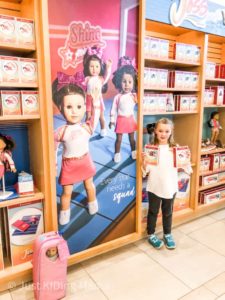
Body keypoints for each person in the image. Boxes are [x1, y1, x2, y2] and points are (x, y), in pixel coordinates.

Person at [52, 71, 98, 226]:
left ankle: (92, 203)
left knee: (89, 186)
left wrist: (95, 101)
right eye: (69, 107)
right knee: (66, 192)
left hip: (85, 160)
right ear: (60, 107)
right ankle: (64, 212)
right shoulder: (61, 132)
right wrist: (54, 165)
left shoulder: (86, 128)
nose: (75, 111)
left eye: (79, 106)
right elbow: (53, 149)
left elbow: (95, 118)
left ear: (84, 107)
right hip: (69, 165)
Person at [142, 118, 192, 250]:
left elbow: (186, 166)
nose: (163, 134)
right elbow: (145, 170)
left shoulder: (175, 148)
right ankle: (151, 233)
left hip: (170, 186)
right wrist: (144, 161)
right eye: (160, 131)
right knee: (153, 211)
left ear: (171, 132)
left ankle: (167, 234)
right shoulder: (151, 149)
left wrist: (186, 158)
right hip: (154, 186)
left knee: (168, 212)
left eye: (166, 131)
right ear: (155, 132)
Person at [109, 56, 137, 163]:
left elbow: (139, 103)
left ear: (134, 83)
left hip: (130, 119)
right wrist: (112, 121)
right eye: (124, 81)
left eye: (130, 82)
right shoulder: (118, 97)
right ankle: (117, 153)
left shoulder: (133, 96)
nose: (127, 85)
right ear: (119, 82)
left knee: (132, 139)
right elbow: (113, 110)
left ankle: (133, 151)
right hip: (120, 120)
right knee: (119, 139)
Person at [83, 46, 112, 136]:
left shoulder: (100, 79)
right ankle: (86, 129)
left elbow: (107, 77)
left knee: (101, 116)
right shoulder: (87, 78)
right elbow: (82, 88)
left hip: (98, 100)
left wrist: (108, 68)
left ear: (100, 67)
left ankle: (103, 129)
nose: (94, 69)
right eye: (91, 66)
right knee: (88, 115)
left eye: (96, 66)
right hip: (88, 100)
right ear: (88, 67)